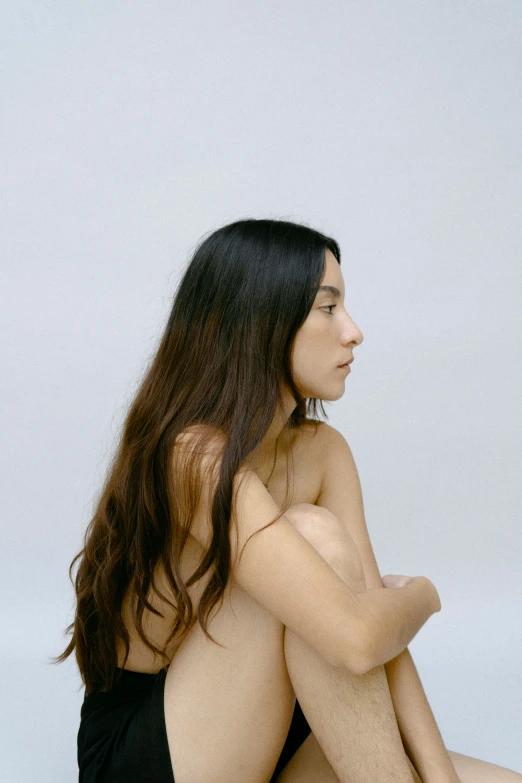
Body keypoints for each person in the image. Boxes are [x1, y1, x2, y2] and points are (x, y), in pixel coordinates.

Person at [52, 218, 506, 783]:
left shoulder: (324, 452)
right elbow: (356, 637)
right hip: (163, 750)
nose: (354, 331)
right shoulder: (192, 459)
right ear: (259, 321)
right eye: (327, 308)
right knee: (311, 537)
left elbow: (377, 642)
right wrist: (425, 597)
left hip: (286, 730)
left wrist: (440, 776)